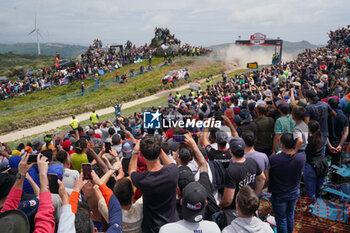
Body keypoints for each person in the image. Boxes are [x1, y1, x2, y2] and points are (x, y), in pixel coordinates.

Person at [129, 135, 179, 233]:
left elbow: (131, 171)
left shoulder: (142, 180)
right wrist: (159, 149)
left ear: (142, 155)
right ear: (160, 151)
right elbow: (171, 164)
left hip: (152, 228)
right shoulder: (173, 171)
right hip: (173, 225)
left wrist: (135, 152)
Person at [219, 137, 265, 224]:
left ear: (230, 152)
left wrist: (220, 205)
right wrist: (254, 196)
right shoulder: (252, 162)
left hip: (235, 210)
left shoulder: (231, 170)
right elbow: (262, 179)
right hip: (250, 207)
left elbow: (228, 200)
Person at [269, 133, 306, 233]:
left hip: (279, 193)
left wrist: (280, 154)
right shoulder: (301, 157)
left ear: (282, 145)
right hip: (294, 192)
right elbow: (301, 141)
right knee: (290, 216)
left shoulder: (274, 159)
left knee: (281, 219)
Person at [304, 121, 328, 199]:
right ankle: (317, 207)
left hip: (311, 166)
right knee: (318, 190)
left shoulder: (308, 141)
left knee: (310, 193)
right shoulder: (322, 138)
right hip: (322, 165)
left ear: (309, 129)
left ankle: (311, 209)